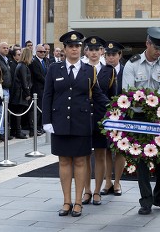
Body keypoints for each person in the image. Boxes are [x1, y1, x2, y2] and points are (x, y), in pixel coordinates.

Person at [43, 30, 109, 217]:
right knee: (64, 161)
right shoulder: (54, 69)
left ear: (82, 49)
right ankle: (66, 201)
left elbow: (97, 95)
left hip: (81, 122)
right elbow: (47, 96)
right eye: (71, 46)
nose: (75, 49)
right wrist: (46, 121)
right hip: (60, 122)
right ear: (64, 49)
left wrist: (117, 107)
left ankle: (78, 201)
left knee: (80, 161)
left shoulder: (90, 70)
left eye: (78, 46)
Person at [122, 27, 160, 215]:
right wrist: (148, 100)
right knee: (142, 158)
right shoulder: (132, 64)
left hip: (159, 116)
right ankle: (146, 199)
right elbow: (129, 91)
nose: (159, 52)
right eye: (156, 48)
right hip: (138, 117)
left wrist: (149, 100)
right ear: (147, 43)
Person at [81, 36, 118, 206]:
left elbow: (112, 97)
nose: (94, 53)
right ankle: (86, 190)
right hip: (83, 118)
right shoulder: (80, 68)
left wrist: (112, 117)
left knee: (101, 154)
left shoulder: (109, 71)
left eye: (97, 50)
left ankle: (97, 190)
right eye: (91, 49)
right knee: (85, 156)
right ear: (86, 51)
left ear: (102, 51)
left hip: (101, 118)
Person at [102, 41, 126, 196]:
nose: (110, 58)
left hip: (123, 115)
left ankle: (117, 182)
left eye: (113, 55)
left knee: (120, 150)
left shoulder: (126, 71)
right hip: (106, 114)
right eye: (108, 55)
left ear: (119, 55)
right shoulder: (101, 71)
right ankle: (107, 181)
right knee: (106, 150)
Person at [10, 48, 33, 139]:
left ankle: (16, 131)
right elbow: (24, 82)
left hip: (19, 92)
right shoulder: (22, 66)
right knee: (18, 113)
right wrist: (27, 94)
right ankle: (18, 132)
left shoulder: (21, 65)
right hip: (20, 94)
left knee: (18, 113)